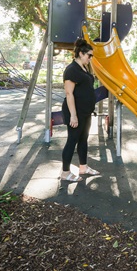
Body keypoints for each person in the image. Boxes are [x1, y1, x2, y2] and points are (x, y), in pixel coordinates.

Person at [60, 39, 100, 182]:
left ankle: (83, 167)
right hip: (75, 112)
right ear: (81, 54)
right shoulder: (71, 70)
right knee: (72, 140)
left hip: (85, 111)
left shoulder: (84, 68)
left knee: (83, 140)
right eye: (89, 55)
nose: (90, 58)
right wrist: (73, 116)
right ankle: (65, 173)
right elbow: (69, 94)